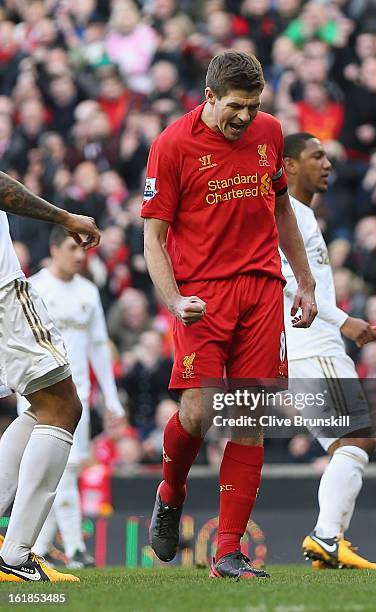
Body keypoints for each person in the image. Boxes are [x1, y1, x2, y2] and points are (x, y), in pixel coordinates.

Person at [141, 51, 317, 579]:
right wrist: (173, 301)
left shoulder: (269, 133)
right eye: (236, 106)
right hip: (201, 298)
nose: (245, 117)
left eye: (254, 105)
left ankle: (228, 552)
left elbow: (282, 208)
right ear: (209, 97)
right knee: (198, 415)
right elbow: (153, 237)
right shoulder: (172, 145)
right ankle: (171, 491)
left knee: (247, 418)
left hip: (262, 288)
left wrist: (304, 280)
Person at [281, 133, 376, 570]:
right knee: (359, 438)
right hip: (313, 346)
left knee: (347, 443)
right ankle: (325, 535)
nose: (326, 163)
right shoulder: (288, 215)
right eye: (316, 156)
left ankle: (329, 540)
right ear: (288, 166)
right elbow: (284, 278)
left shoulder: (303, 215)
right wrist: (345, 321)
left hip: (306, 349)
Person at [0, 170, 99, 582]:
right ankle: (17, 556)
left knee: (44, 406)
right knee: (61, 406)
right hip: (3, 293)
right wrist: (64, 217)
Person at [16, 226, 124, 569]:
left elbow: (99, 348)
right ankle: (75, 548)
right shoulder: (33, 288)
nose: (80, 255)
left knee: (65, 471)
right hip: (39, 395)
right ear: (54, 249)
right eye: (72, 248)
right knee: (47, 472)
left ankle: (41, 547)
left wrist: (112, 398)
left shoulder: (89, 292)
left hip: (79, 398)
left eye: (83, 250)